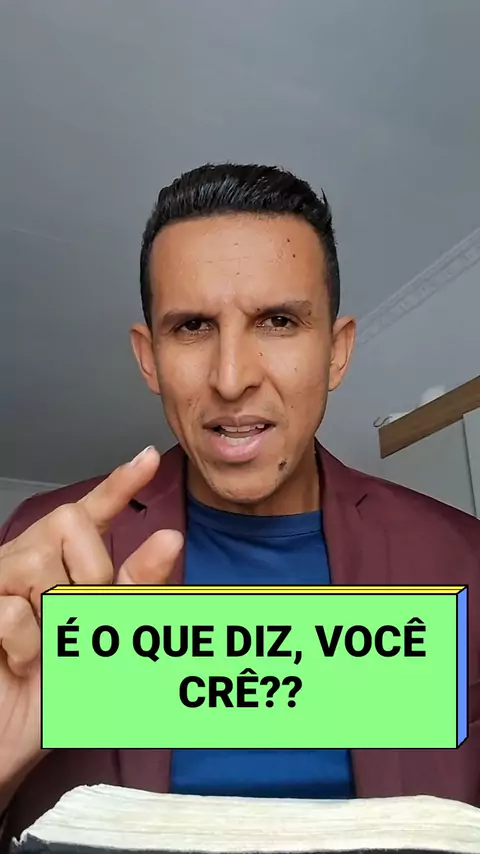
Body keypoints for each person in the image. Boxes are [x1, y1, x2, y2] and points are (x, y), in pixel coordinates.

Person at [1, 163, 479, 845]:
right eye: (193, 326)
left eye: (278, 321)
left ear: (336, 351)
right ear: (150, 357)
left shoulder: (462, 560)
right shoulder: (45, 549)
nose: (231, 379)